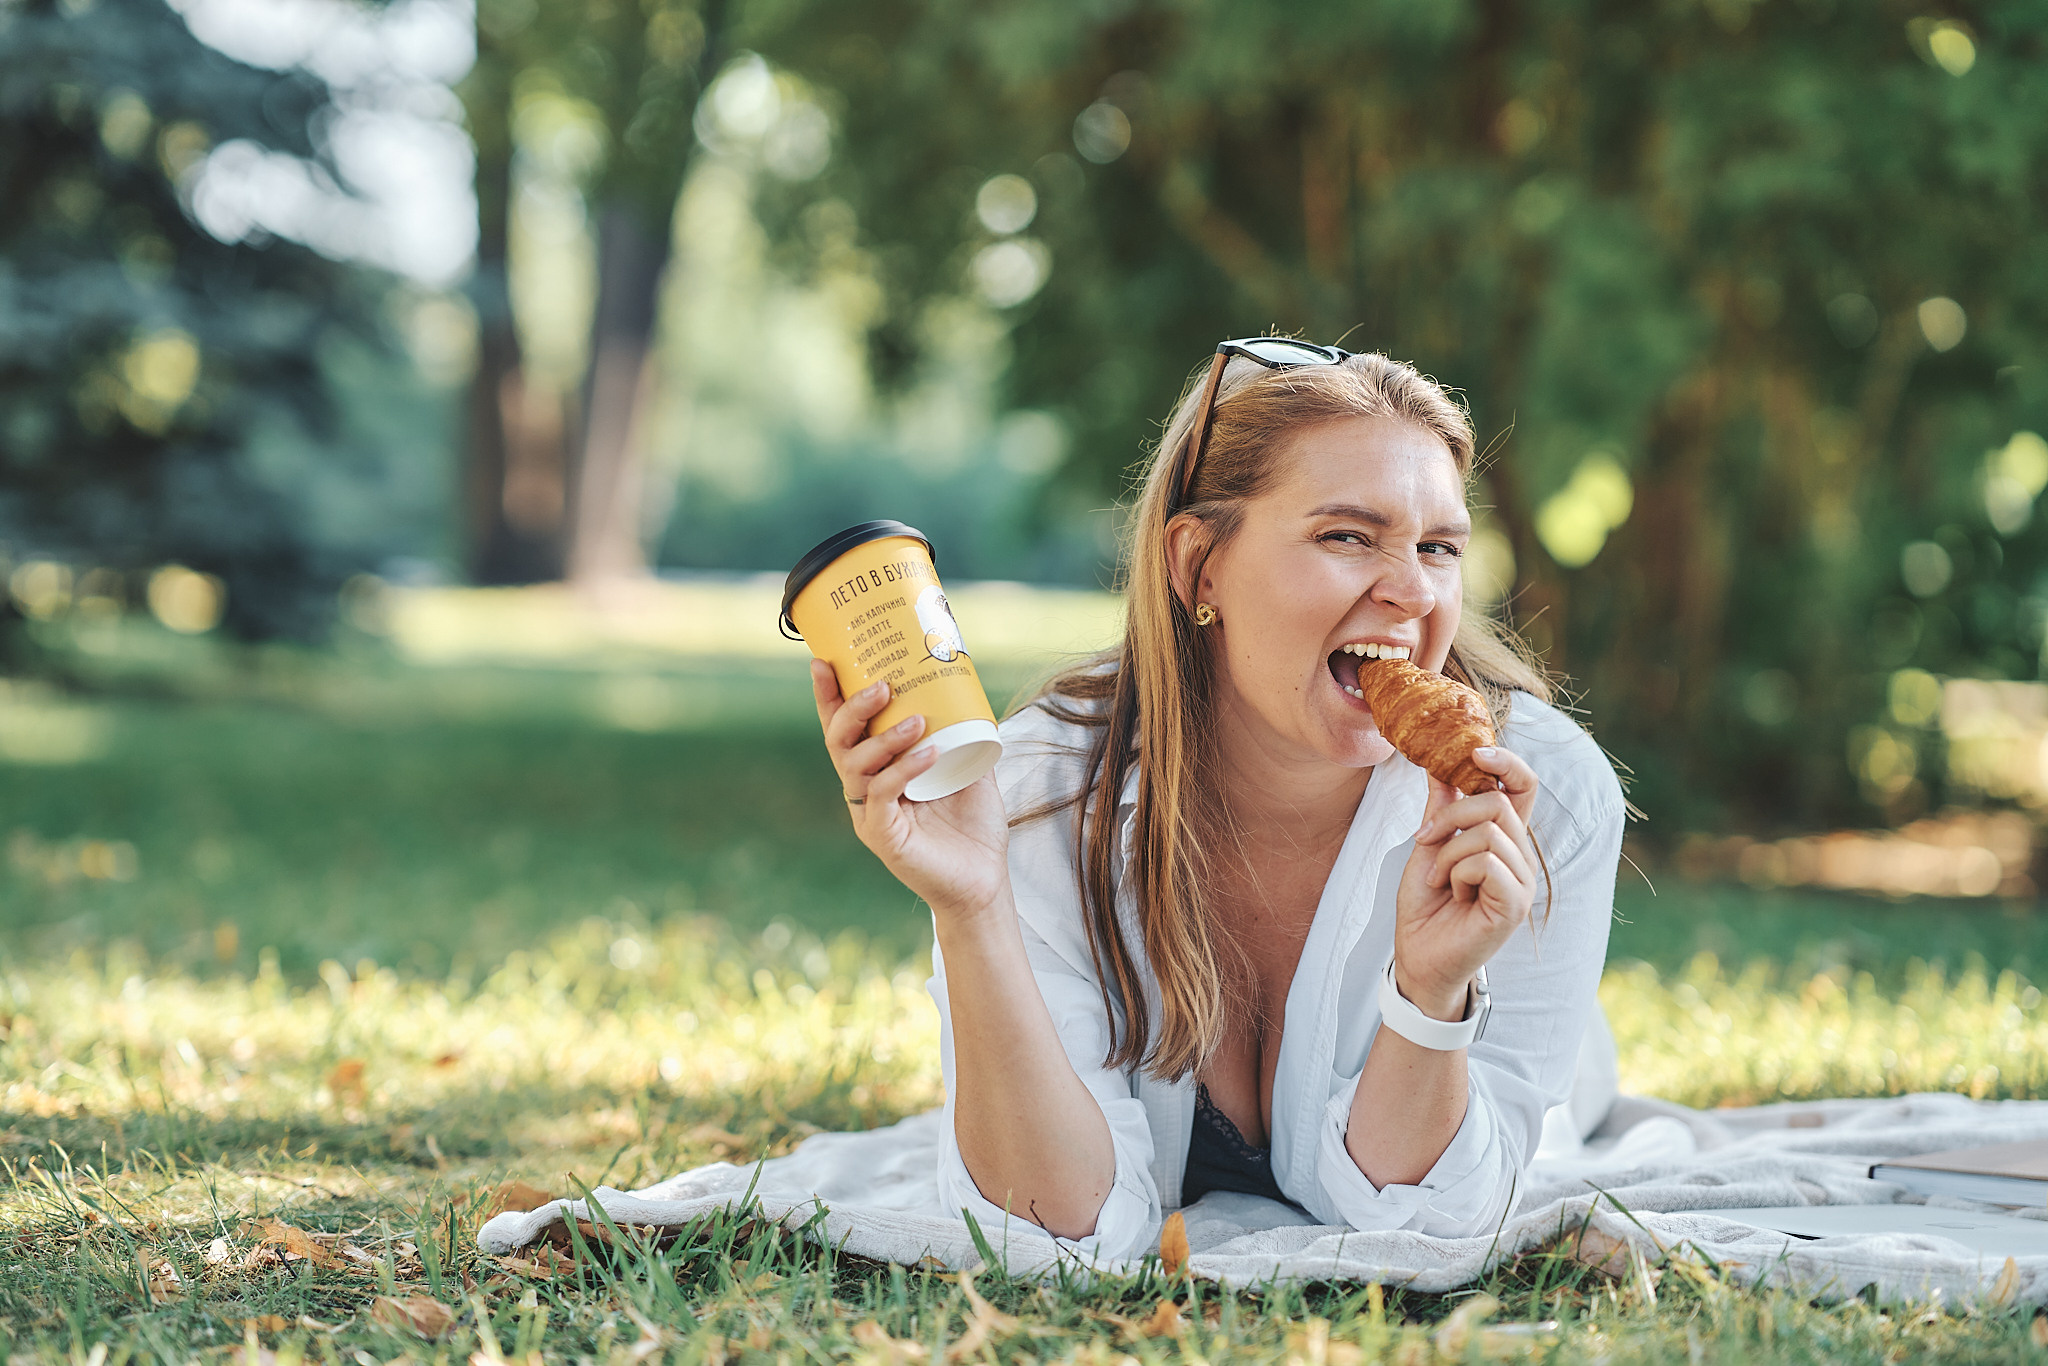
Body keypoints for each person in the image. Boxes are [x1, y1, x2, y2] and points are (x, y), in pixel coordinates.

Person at [810, 341, 1626, 1260]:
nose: (1410, 591)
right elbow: (1049, 1223)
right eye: (1348, 536)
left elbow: (1432, 1223)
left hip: (1547, 1062)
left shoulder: (1540, 801)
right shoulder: (1047, 790)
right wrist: (974, 909)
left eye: (1438, 548)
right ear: (1200, 567)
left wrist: (1432, 995)